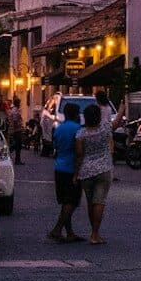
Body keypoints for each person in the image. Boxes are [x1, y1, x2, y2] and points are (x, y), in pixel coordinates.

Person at [74, 102, 114, 244]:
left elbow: (79, 154)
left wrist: (76, 174)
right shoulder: (105, 129)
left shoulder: (81, 133)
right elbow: (118, 121)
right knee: (100, 201)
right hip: (103, 169)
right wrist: (121, 108)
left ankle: (94, 231)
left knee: (91, 202)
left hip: (86, 171)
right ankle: (95, 233)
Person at [48, 102, 84, 242]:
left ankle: (69, 232)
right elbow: (79, 151)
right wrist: (77, 172)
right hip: (71, 168)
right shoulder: (78, 129)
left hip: (59, 167)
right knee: (72, 201)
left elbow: (55, 146)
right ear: (76, 114)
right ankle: (57, 229)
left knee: (65, 201)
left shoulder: (59, 129)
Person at [8, 96, 25, 165]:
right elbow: (15, 120)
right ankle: (15, 157)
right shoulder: (15, 110)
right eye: (19, 103)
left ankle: (17, 159)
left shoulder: (16, 109)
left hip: (17, 129)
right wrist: (18, 126)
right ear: (17, 103)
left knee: (18, 145)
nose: (20, 104)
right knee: (18, 145)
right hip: (17, 130)